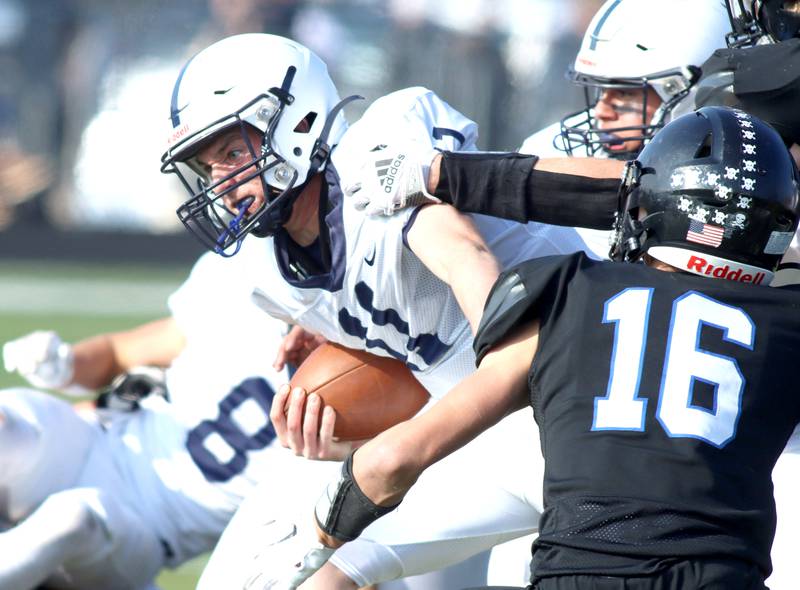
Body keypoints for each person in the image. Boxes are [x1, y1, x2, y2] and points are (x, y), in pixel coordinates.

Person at [159, 32, 591, 590]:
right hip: (482, 434)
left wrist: (393, 451)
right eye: (208, 166)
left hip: (576, 399)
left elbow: (469, 264)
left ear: (296, 122)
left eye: (233, 153)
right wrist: (354, 434)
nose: (223, 183)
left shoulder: (377, 155)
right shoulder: (268, 276)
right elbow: (415, 349)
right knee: (273, 561)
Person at [307, 106, 800, 590]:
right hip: (720, 575)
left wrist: (318, 538)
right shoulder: (787, 323)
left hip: (577, 570)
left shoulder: (568, 289)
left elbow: (392, 461)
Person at [0, 251, 342, 589]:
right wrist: (66, 366)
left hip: (145, 526)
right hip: (98, 438)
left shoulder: (359, 395)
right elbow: (120, 353)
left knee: (75, 516)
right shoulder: (245, 275)